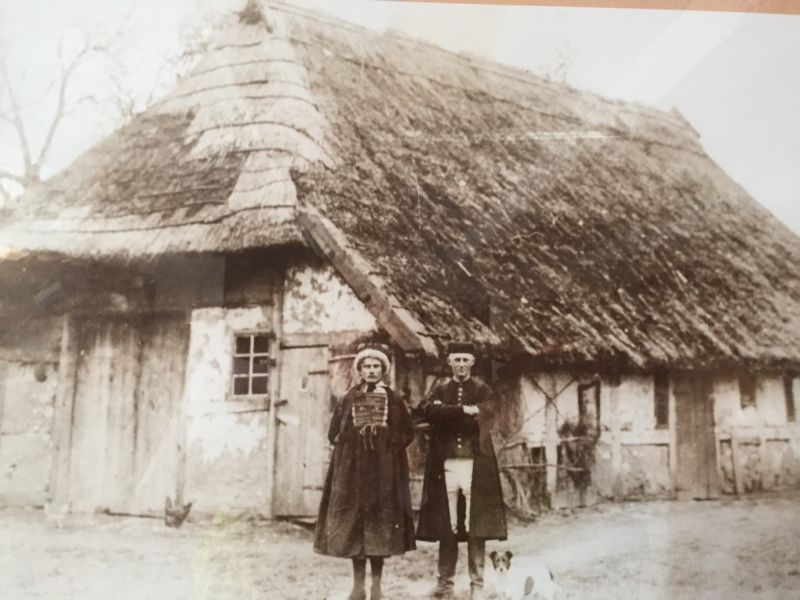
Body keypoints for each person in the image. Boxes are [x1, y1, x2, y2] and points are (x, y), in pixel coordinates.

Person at [314, 342, 416, 600]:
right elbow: (334, 433)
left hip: (383, 472)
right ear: (359, 370)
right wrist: (349, 444)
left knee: (379, 526)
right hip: (354, 472)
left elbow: (407, 432)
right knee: (356, 527)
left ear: (383, 370)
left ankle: (377, 586)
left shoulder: (394, 399)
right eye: (367, 366)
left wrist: (389, 443)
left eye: (376, 366)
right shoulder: (348, 398)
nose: (371, 370)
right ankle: (358, 586)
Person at [415, 341, 507, 600]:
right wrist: (464, 411)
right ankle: (445, 586)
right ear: (450, 362)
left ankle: (477, 586)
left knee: (476, 525)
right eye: (457, 360)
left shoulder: (482, 389)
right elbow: (428, 411)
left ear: (472, 363)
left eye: (466, 360)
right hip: (446, 465)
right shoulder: (440, 388)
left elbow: (488, 412)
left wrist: (447, 416)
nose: (461, 365)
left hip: (475, 465)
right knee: (448, 527)